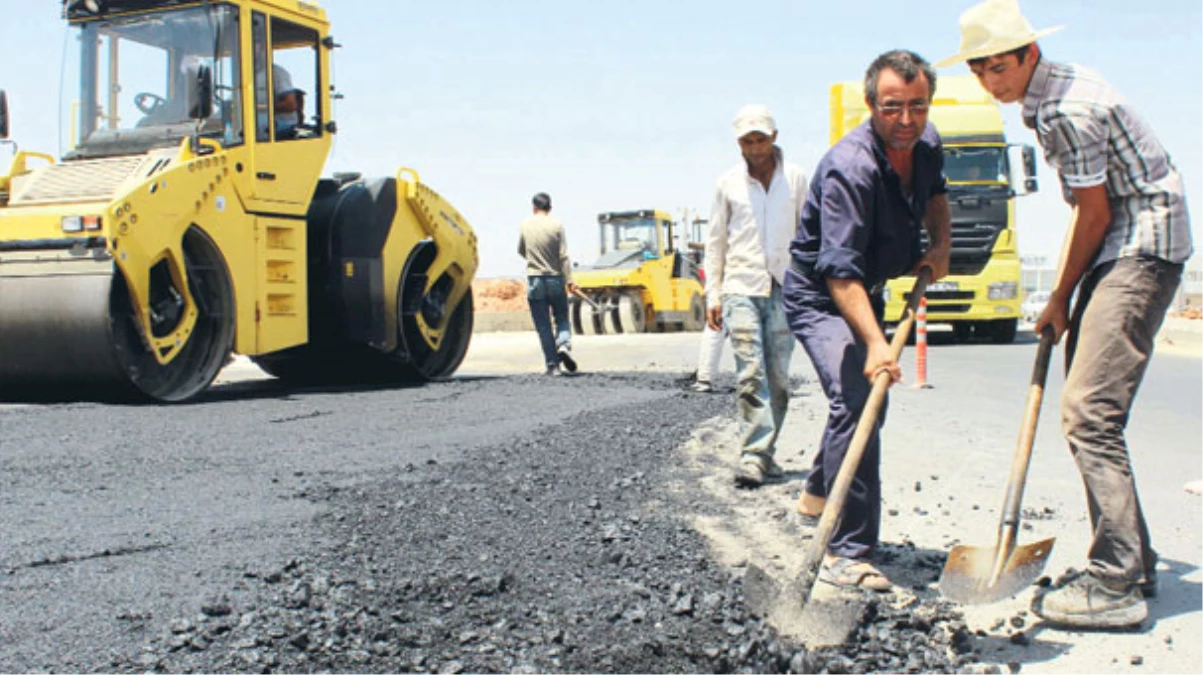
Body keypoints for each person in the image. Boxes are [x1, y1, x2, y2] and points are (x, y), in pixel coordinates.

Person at [939, 0, 1193, 628]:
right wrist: (1066, 293)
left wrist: (1057, 300)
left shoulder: (1065, 108)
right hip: (1122, 245)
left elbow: (1097, 213)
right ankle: (1135, 562)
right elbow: (1088, 213)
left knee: (1088, 415)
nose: (988, 81)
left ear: (1027, 55)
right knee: (1089, 412)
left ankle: (1116, 584)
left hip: (1140, 247)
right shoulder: (1051, 95)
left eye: (997, 67)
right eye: (977, 71)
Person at [782, 50, 951, 591]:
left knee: (856, 400)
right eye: (892, 107)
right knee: (859, 398)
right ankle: (846, 553)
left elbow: (937, 195)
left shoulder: (926, 145)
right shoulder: (850, 168)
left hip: (864, 288)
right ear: (870, 104)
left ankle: (816, 493)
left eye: (918, 106)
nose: (906, 121)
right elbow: (838, 274)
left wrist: (940, 246)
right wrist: (877, 344)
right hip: (821, 295)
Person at [705, 104, 807, 487]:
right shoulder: (727, 184)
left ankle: (765, 454)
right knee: (751, 373)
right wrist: (713, 294)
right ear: (738, 143)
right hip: (740, 287)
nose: (755, 147)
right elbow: (716, 243)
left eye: (761, 139)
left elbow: (809, 235)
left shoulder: (795, 180)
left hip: (785, 287)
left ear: (774, 138)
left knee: (778, 378)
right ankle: (753, 456)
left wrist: (810, 286)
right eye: (747, 141)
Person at [518, 192, 579, 376]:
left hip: (535, 280)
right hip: (555, 278)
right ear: (549, 208)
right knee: (561, 317)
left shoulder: (525, 224)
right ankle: (563, 346)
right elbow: (563, 256)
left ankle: (552, 366)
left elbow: (521, 250)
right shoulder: (557, 225)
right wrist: (569, 280)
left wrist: (536, 261)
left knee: (543, 325)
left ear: (534, 207)